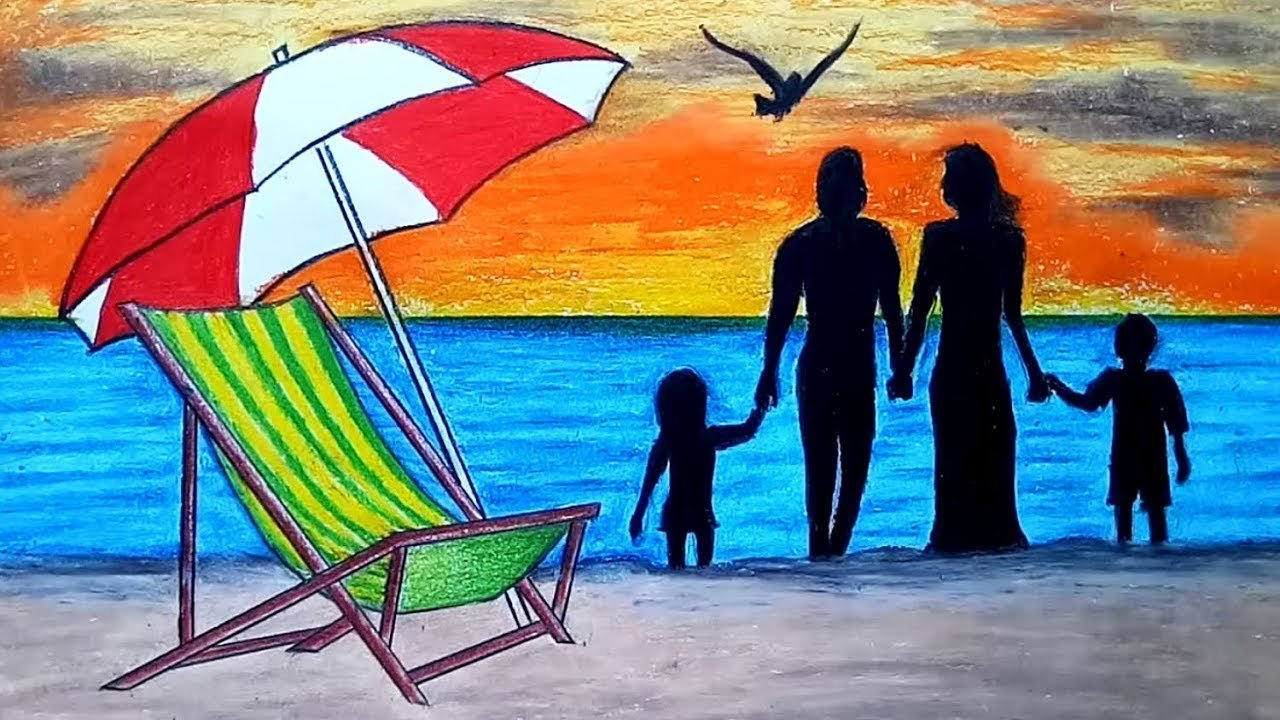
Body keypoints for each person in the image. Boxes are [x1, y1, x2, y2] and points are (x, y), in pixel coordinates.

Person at [890, 142, 1049, 554]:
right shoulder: (1008, 240)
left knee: (956, 462)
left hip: (954, 369)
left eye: (949, 178)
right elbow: (1012, 315)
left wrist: (905, 370)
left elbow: (921, 309)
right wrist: (1033, 374)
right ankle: (995, 552)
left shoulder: (941, 237)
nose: (944, 185)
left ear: (960, 187)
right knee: (990, 462)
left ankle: (954, 549)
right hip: (985, 369)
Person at [755, 147, 905, 559]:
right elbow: (781, 314)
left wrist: (900, 365)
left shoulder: (811, 243)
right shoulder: (851, 241)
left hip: (837, 365)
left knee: (840, 467)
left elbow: (892, 310)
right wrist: (768, 372)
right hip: (838, 365)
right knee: (837, 468)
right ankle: (827, 551)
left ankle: (828, 553)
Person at [1046, 314, 1191, 545]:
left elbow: (1176, 421)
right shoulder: (1148, 380)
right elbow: (1176, 423)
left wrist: (1057, 386)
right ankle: (1154, 562)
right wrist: (1058, 386)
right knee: (1141, 519)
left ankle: (1133, 561)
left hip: (1137, 457)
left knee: (1145, 519)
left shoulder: (1130, 380)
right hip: (1138, 457)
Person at [630, 368, 765, 568]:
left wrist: (638, 514)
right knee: (705, 569)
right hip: (702, 512)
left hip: (676, 512)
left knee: (676, 568)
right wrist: (760, 409)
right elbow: (746, 430)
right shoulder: (707, 437)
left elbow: (650, 479)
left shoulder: (668, 440)